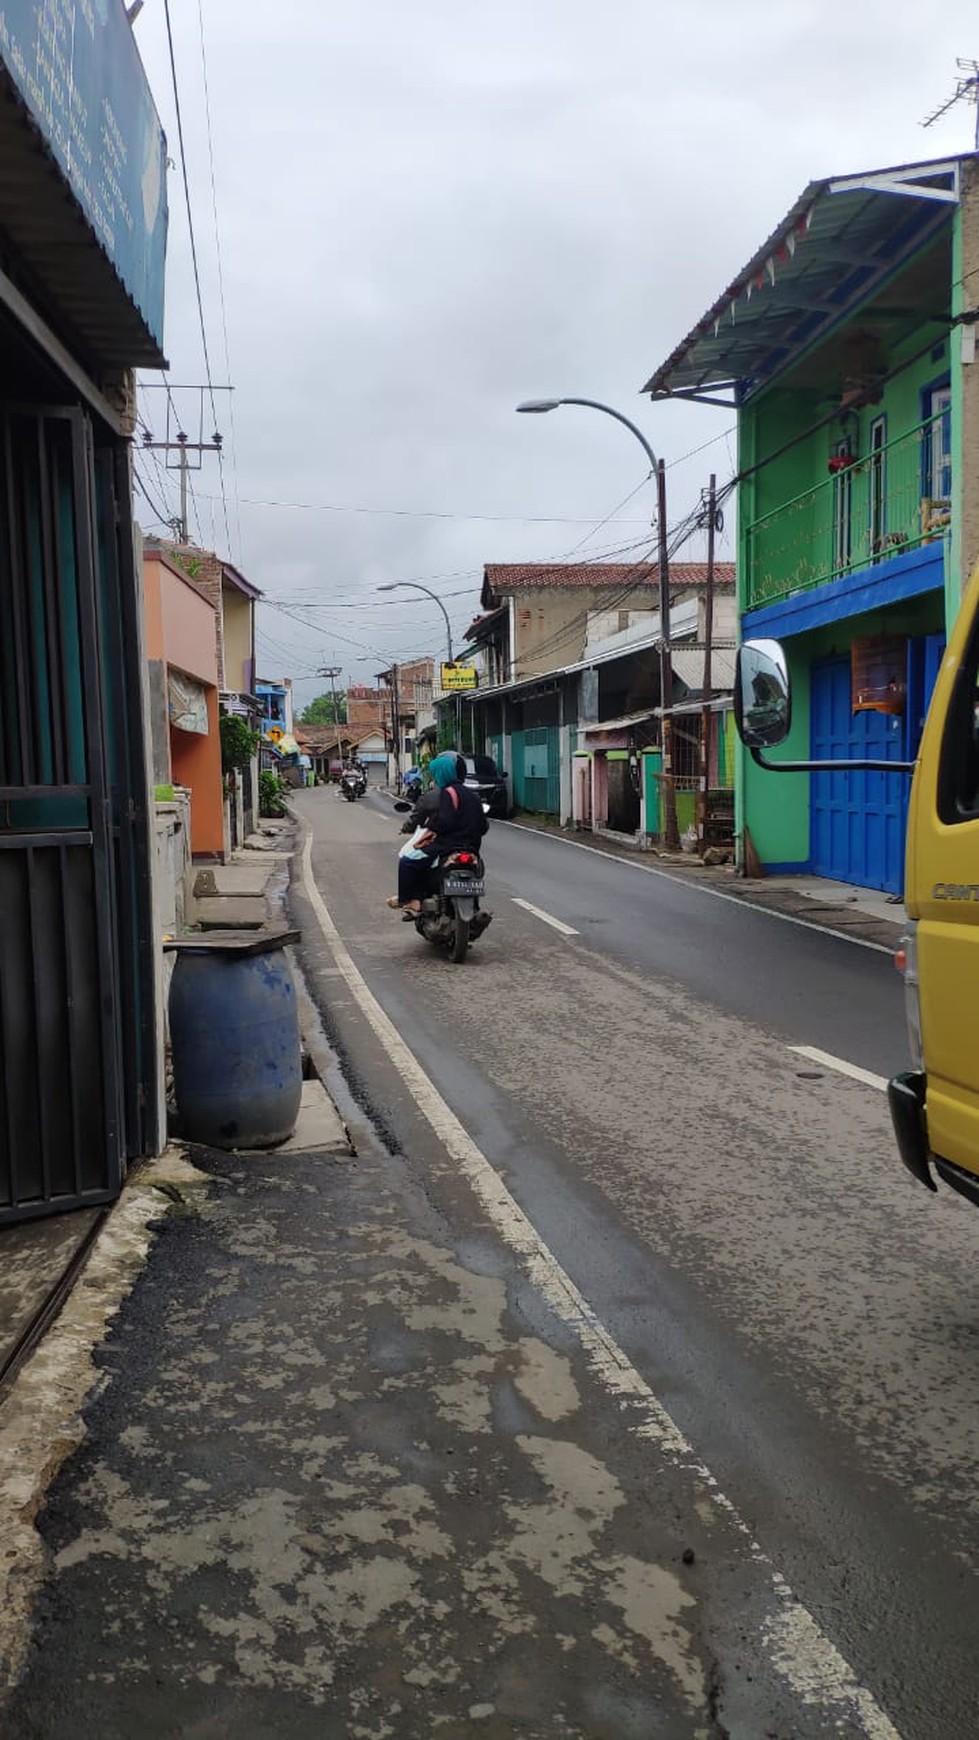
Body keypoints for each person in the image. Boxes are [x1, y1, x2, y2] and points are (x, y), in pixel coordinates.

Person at [387, 752, 487, 915]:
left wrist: (431, 831)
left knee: (407, 862)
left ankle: (409, 900)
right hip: (472, 848)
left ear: (441, 774)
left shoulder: (448, 793)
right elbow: (483, 826)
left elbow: (445, 820)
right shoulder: (473, 796)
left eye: (435, 774)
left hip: (447, 846)